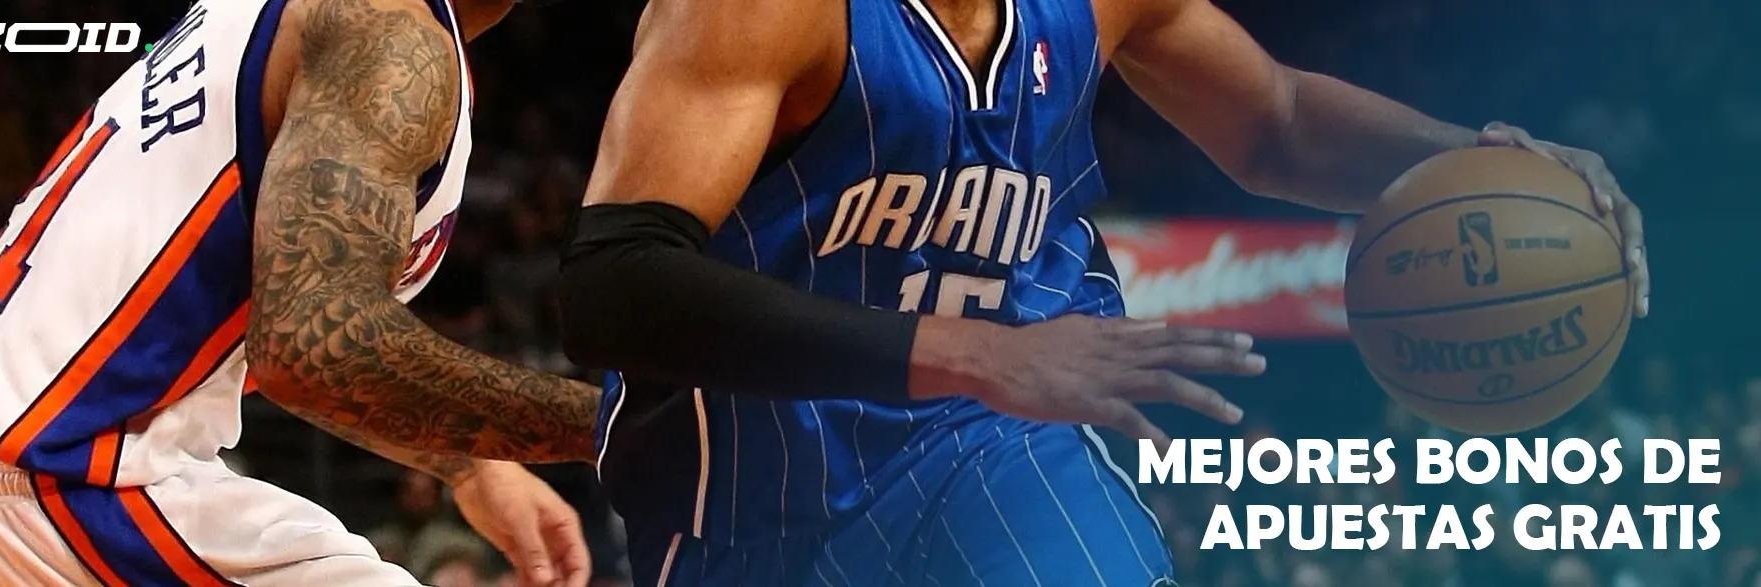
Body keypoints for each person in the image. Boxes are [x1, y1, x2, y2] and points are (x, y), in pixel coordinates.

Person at [557, 0, 1649, 585]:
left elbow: (1274, 120)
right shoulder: (762, 10)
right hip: (747, 495)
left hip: (990, 440)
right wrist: (971, 349)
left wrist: (1485, 161)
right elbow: (612, 285)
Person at [0, 0, 600, 585]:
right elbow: (312, 347)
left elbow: (284, 322)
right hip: (61, 483)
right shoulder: (386, 37)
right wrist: (617, 421)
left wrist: (467, 457)